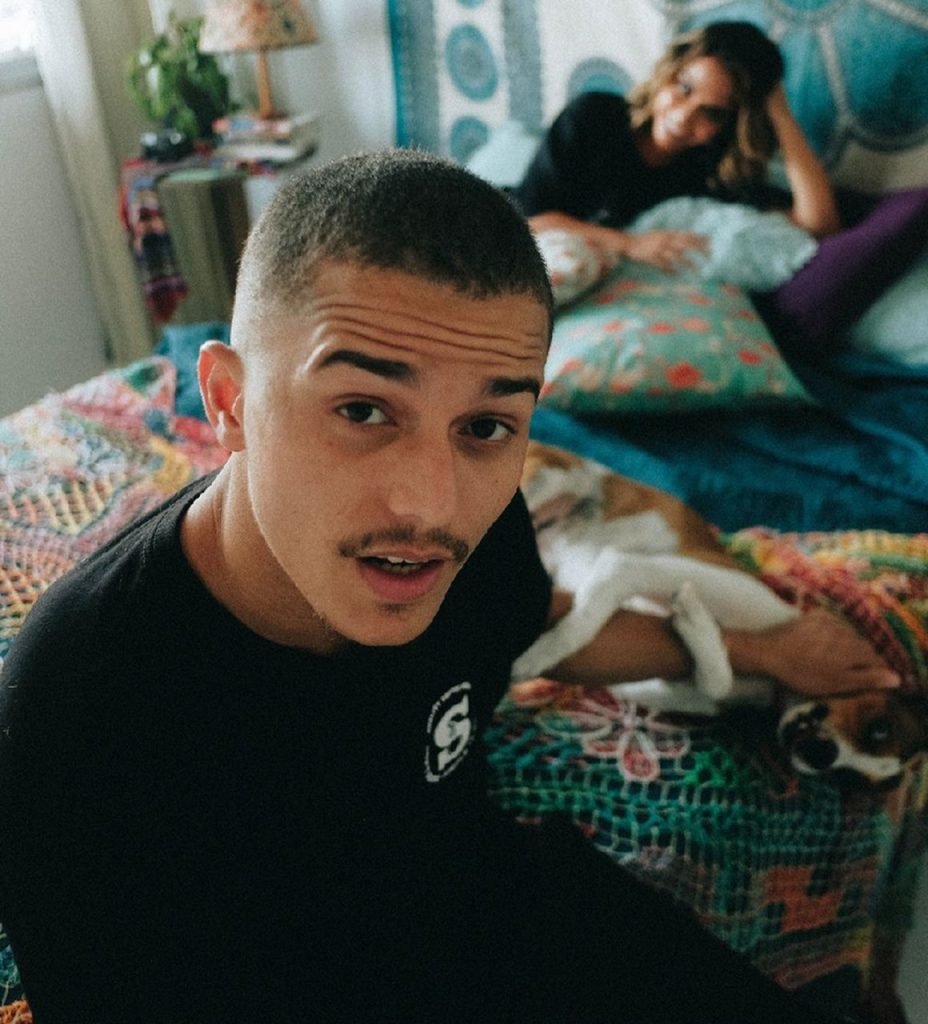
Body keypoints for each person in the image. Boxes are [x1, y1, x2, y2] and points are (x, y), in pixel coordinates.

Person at [0, 149, 895, 1023]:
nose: (430, 507)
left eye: (486, 425)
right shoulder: (75, 712)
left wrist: (756, 649)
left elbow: (536, 627)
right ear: (229, 402)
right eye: (363, 409)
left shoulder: (484, 539)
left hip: (507, 918)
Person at [512, 20, 841, 274]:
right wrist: (629, 244)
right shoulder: (594, 117)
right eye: (684, 88)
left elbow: (819, 225)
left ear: (731, 124)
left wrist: (778, 111)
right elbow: (527, 222)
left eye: (711, 113)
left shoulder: (711, 171)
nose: (683, 118)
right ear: (669, 70)